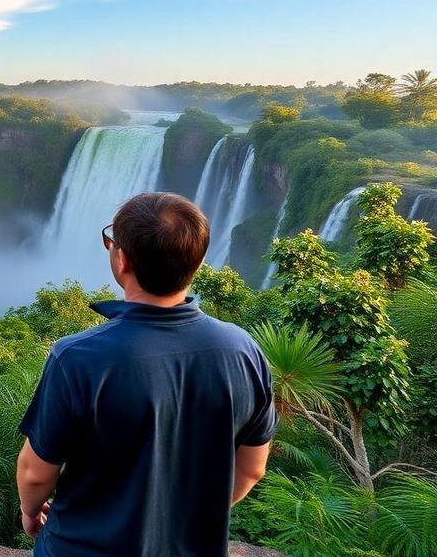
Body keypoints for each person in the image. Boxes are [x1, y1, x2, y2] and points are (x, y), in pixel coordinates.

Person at [16, 192, 276, 556]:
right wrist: (186, 520)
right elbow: (251, 469)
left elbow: (36, 473)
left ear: (122, 259)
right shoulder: (244, 351)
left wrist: (30, 514)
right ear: (198, 264)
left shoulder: (78, 357)